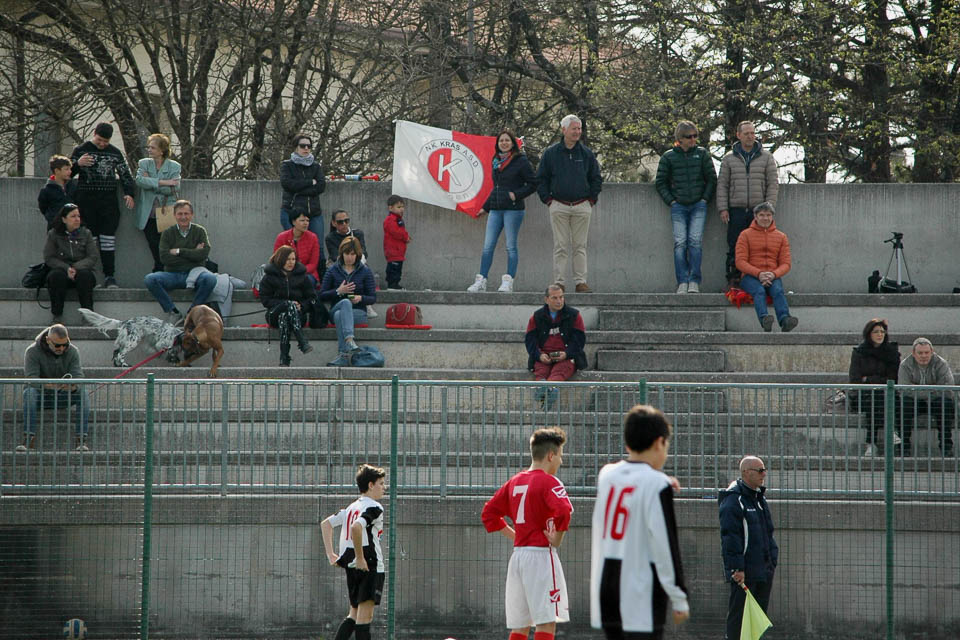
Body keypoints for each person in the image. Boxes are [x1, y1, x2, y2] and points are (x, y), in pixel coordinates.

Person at [590, 405, 689, 640]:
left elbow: (632, 483)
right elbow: (665, 545)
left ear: (627, 444)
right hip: (639, 593)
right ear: (659, 443)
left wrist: (662, 481)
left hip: (607, 589)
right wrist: (678, 596)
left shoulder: (607, 475)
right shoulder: (657, 485)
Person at [481, 427, 573, 640]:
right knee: (546, 622)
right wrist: (557, 539)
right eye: (560, 455)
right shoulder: (549, 481)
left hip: (518, 558)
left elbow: (489, 513)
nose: (561, 461)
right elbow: (564, 511)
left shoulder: (514, 482)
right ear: (551, 456)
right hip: (541, 558)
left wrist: (516, 535)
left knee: (520, 626)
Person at [536, 114, 602, 293]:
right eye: (574, 128)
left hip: (582, 206)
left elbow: (596, 178)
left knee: (580, 246)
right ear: (564, 130)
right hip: (558, 205)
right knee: (560, 246)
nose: (577, 132)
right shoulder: (551, 153)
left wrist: (591, 200)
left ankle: (581, 282)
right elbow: (541, 179)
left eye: (579, 129)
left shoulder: (586, 153)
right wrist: (548, 200)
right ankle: (559, 282)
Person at [466, 128, 538, 293]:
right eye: (501, 140)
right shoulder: (496, 161)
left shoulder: (521, 161)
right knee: (487, 246)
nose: (504, 143)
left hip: (513, 210)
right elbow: (496, 188)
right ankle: (481, 280)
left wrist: (516, 195)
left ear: (513, 143)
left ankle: (508, 281)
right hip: (496, 210)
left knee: (510, 246)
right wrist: (485, 207)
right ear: (497, 144)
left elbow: (533, 183)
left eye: (507, 140)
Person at [320, 464, 387, 640]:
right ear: (370, 485)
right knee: (365, 617)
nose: (384, 487)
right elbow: (357, 527)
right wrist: (360, 557)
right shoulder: (374, 507)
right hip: (369, 565)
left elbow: (326, 524)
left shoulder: (352, 507)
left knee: (354, 614)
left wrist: (331, 555)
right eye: (381, 483)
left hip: (351, 565)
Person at [718, 456, 778, 640]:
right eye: (759, 470)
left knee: (757, 620)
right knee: (739, 619)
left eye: (764, 470)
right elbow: (730, 536)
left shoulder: (758, 498)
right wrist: (736, 568)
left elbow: (768, 532)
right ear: (745, 472)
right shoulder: (734, 500)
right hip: (745, 573)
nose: (763, 474)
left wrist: (772, 560)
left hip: (763, 570)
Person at [70, 122, 135, 288]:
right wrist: (78, 164)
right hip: (86, 203)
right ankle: (88, 276)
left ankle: (109, 276)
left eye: (105, 141)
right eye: (99, 140)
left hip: (108, 204)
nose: (102, 144)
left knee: (108, 241)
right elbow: (66, 173)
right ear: (94, 134)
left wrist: (129, 193)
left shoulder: (115, 153)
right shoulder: (81, 150)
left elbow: (125, 175)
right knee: (89, 242)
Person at [654, 120, 717, 294]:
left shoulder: (702, 154)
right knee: (680, 243)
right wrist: (671, 201)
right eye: (689, 137)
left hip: (698, 204)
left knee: (695, 242)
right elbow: (660, 182)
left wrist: (704, 199)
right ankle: (682, 280)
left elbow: (712, 179)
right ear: (680, 139)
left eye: (695, 136)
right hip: (678, 206)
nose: (693, 139)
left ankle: (694, 280)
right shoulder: (668, 157)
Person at [717, 121, 780, 290]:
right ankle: (733, 279)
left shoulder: (766, 157)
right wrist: (723, 208)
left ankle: (758, 281)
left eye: (752, 133)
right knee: (735, 245)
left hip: (758, 211)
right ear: (738, 135)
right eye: (746, 133)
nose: (750, 136)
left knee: (758, 247)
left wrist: (768, 207)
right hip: (736, 209)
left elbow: (772, 183)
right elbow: (722, 184)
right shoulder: (729, 158)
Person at [143, 199, 216, 325]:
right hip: (173, 274)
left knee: (210, 279)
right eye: (180, 214)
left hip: (195, 274)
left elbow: (203, 254)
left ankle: (192, 313)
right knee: (150, 279)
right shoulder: (167, 233)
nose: (183, 217)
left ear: (192, 215)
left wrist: (178, 251)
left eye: (186, 214)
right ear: (174, 215)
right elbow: (164, 258)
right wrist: (193, 253)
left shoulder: (200, 231)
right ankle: (173, 312)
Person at [19, 324, 90, 452]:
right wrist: (51, 385)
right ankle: (28, 438)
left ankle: (81, 439)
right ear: (48, 340)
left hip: (63, 396)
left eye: (65, 345)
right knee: (29, 393)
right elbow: (31, 380)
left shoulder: (73, 351)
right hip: (41, 397)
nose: (61, 348)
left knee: (83, 393)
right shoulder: (32, 351)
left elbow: (79, 376)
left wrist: (73, 386)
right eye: (57, 345)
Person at [734, 202, 798, 332]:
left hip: (772, 275)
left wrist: (773, 274)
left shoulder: (781, 236)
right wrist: (759, 274)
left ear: (772, 217)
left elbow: (786, 263)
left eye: (768, 215)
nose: (765, 218)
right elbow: (740, 262)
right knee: (759, 291)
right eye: (762, 215)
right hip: (750, 276)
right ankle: (764, 319)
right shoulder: (745, 235)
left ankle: (785, 320)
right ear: (755, 216)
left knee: (778, 291)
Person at [525, 284, 587, 407]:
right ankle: (546, 388)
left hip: (567, 357)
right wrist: (539, 355)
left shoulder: (574, 315)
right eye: (555, 298)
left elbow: (579, 340)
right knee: (541, 370)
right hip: (544, 356)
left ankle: (547, 388)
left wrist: (567, 354)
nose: (559, 301)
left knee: (561, 370)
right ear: (546, 299)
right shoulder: (536, 317)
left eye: (561, 297)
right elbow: (530, 340)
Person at [320, 236, 376, 366]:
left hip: (358, 312)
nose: (349, 257)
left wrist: (361, 298)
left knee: (340, 315)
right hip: (337, 307)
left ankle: (343, 355)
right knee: (344, 304)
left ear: (357, 255)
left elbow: (372, 298)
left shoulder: (365, 271)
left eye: (352, 254)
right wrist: (338, 291)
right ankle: (350, 340)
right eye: (346, 254)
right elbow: (322, 295)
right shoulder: (333, 270)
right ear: (341, 254)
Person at [849, 318, 901, 457]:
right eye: (876, 331)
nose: (880, 334)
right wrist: (878, 381)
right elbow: (855, 379)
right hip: (863, 395)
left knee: (879, 398)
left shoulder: (892, 352)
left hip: (887, 394)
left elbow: (893, 378)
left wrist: (868, 379)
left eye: (882, 332)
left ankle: (871, 443)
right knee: (875, 398)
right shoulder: (859, 352)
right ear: (869, 334)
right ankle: (890, 431)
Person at [258, 245, 317, 366]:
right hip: (274, 313)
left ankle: (284, 356)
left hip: (298, 315)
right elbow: (265, 300)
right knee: (288, 305)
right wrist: (284, 304)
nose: (291, 262)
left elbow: (312, 298)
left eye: (293, 259)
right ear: (280, 259)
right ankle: (302, 341)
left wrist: (302, 306)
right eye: (288, 259)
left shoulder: (302, 276)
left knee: (284, 317)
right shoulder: (269, 277)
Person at [44, 203, 101, 324]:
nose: (77, 219)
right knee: (56, 276)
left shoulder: (86, 233)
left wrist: (75, 267)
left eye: (78, 216)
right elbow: (49, 257)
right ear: (64, 219)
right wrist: (66, 268)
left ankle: (88, 315)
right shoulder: (53, 234)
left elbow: (92, 256)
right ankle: (57, 315)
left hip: (81, 269)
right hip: (62, 269)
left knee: (85, 276)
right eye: (73, 216)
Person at [898, 337, 954, 457]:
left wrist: (916, 388)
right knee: (903, 404)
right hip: (914, 401)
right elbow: (904, 390)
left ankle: (946, 447)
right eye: (920, 353)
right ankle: (903, 447)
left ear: (932, 352)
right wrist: (932, 388)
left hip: (936, 401)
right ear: (913, 353)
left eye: (926, 352)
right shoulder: (905, 365)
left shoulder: (941, 364)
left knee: (945, 404)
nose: (924, 356)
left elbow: (947, 388)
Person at [135, 133, 182, 273]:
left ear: (162, 150)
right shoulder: (144, 163)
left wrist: (150, 182)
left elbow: (175, 188)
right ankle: (159, 268)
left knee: (165, 243)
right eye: (148, 147)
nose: (149, 150)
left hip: (165, 211)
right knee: (153, 242)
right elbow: (139, 181)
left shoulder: (174, 166)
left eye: (153, 148)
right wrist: (163, 182)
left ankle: (161, 269)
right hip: (148, 212)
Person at [280, 133, 326, 241]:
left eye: (309, 146)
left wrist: (299, 190)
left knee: (318, 245)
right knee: (293, 245)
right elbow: (287, 184)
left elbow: (321, 186)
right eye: (302, 146)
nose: (306, 148)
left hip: (313, 213)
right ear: (296, 147)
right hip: (291, 212)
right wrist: (310, 182)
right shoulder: (287, 165)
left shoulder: (315, 166)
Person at [274, 211, 322, 287]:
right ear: (293, 222)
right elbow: (277, 260)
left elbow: (313, 264)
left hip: (307, 273)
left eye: (307, 220)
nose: (306, 223)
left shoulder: (313, 237)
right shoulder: (282, 237)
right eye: (302, 220)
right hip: (285, 272)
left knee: (305, 280)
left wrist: (297, 271)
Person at [37, 155, 75, 229]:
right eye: (66, 169)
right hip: (55, 227)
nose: (70, 172)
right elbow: (43, 208)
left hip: (72, 227)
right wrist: (52, 218)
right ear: (57, 171)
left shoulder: (72, 187)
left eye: (70, 169)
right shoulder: (46, 190)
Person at [382, 195, 410, 290]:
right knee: (394, 269)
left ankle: (395, 284)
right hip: (393, 250)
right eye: (398, 207)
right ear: (390, 208)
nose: (401, 209)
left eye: (402, 207)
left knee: (397, 269)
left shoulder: (397, 219)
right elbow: (396, 232)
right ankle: (392, 285)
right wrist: (406, 237)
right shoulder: (390, 219)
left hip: (398, 251)